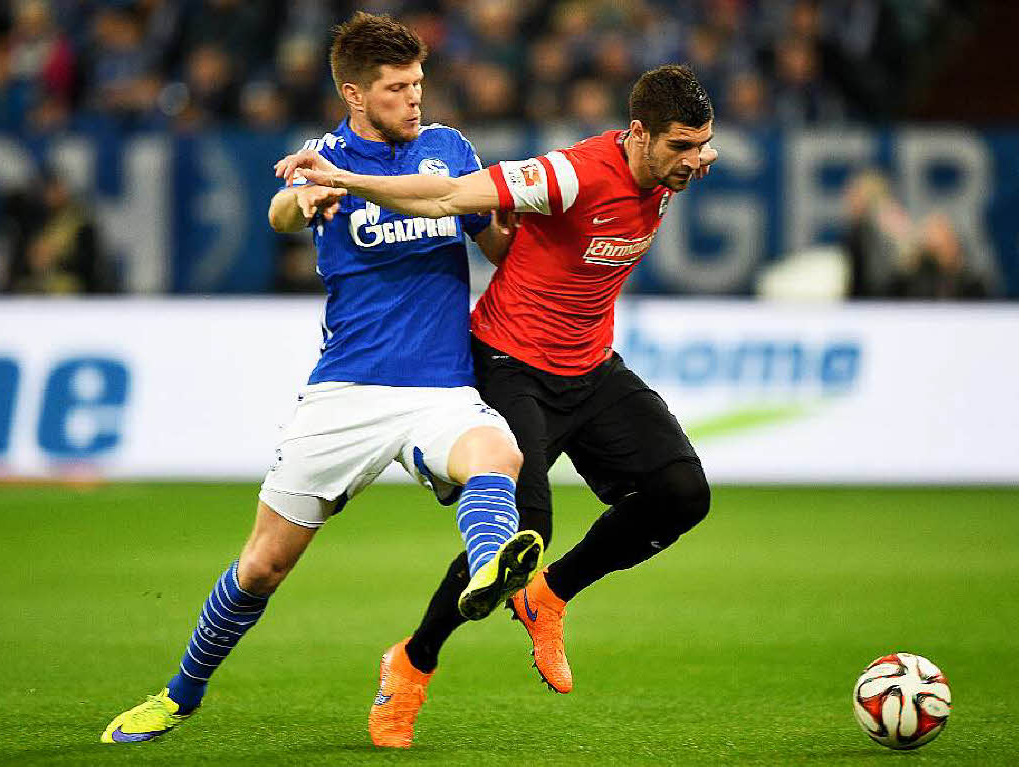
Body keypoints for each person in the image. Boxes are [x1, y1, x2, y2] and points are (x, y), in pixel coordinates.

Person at [101, 13, 544, 750]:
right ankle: (178, 694)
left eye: (419, 83)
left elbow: (494, 242)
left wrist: (522, 227)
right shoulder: (321, 158)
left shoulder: (447, 149)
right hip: (345, 393)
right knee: (263, 565)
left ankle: (494, 562)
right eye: (397, 88)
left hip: (439, 387)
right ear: (354, 92)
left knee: (497, 454)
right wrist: (298, 201)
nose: (415, 99)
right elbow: (282, 209)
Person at [277, 63, 717, 745]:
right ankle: (411, 664)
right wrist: (347, 180)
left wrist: (691, 153)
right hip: (511, 365)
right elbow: (447, 197)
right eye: (681, 147)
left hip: (592, 368)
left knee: (683, 492)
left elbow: (676, 160)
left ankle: (549, 596)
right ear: (637, 134)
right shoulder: (568, 174)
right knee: (520, 535)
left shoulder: (666, 169)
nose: (695, 160)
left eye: (702, 145)